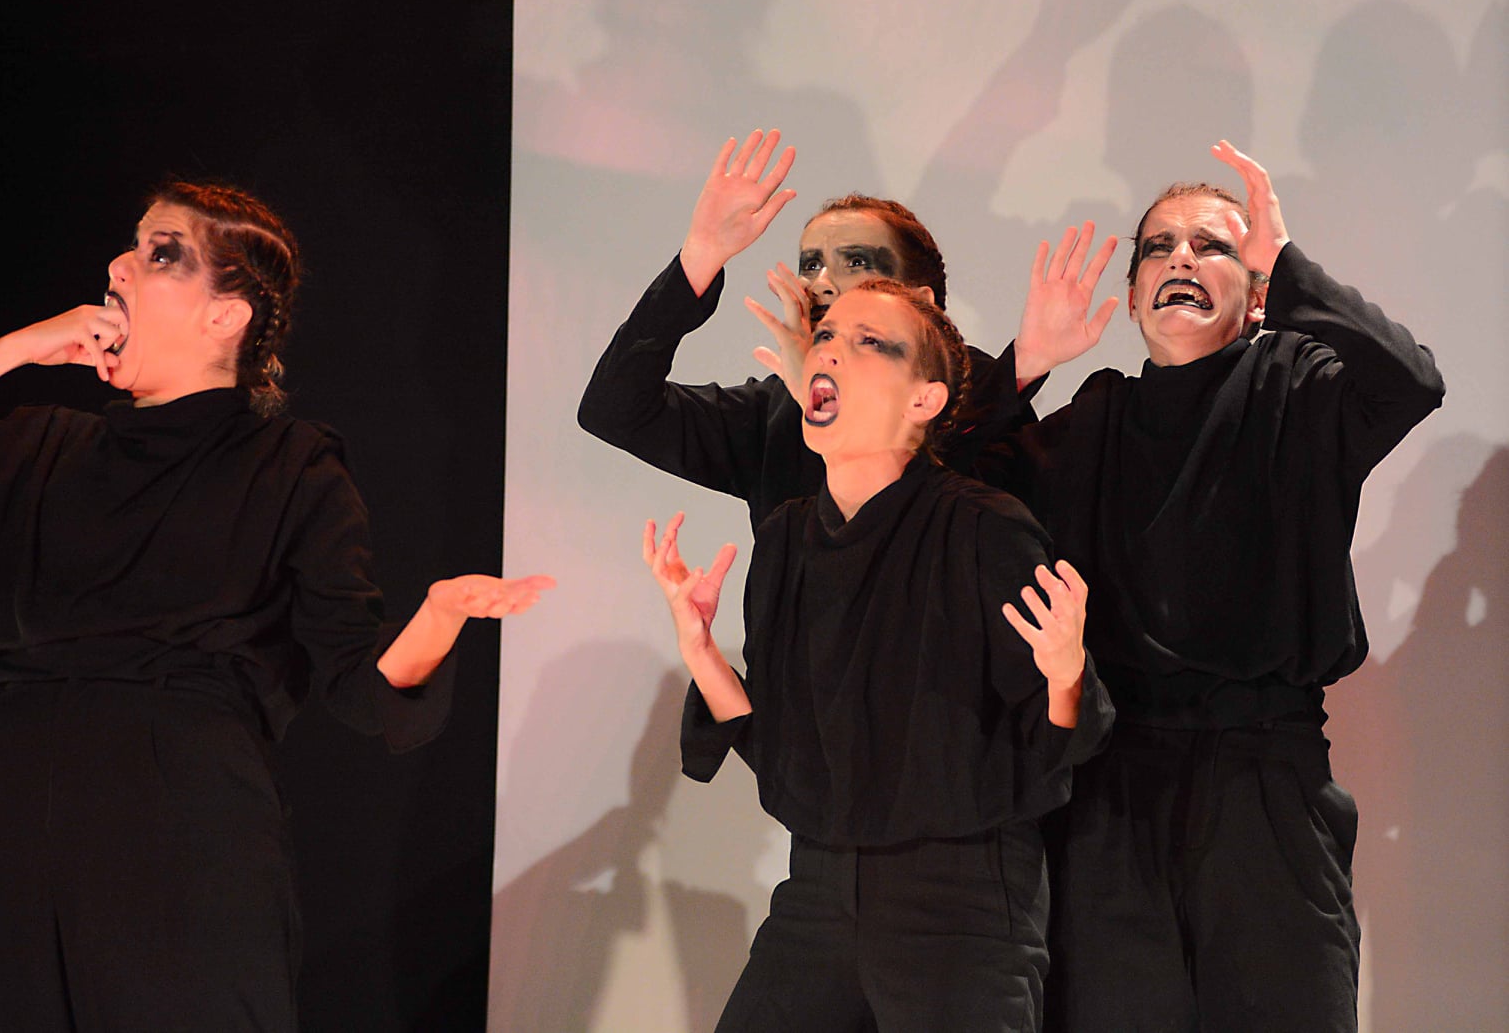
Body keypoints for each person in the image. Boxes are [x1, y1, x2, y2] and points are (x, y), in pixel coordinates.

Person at [0, 181, 554, 1031]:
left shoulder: (290, 467)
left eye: (160, 252)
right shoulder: (36, 445)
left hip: (176, 820)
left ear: (225, 315)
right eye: (131, 245)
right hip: (1, 812)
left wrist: (438, 615)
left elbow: (359, 681)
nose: (119, 265)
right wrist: (17, 348)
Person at [985, 141, 1445, 1029]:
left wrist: (1288, 262)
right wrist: (1025, 364)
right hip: (1114, 794)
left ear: (1258, 295)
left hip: (1264, 781)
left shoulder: (1296, 387)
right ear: (1131, 298)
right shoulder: (1096, 419)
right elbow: (958, 485)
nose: (1182, 258)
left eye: (1212, 246)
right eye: (1158, 247)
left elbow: (1411, 382)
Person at [642, 279, 1114, 1031]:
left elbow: (1056, 743)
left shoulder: (985, 528)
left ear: (924, 399)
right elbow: (779, 748)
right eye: (827, 335)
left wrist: (1064, 671)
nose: (830, 349)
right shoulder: (787, 536)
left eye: (869, 342)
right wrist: (700, 649)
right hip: (818, 891)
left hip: (960, 904)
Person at [578, 128, 1055, 532]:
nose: (821, 282)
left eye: (856, 262)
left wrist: (1020, 373)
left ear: (921, 300)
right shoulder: (773, 413)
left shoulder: (988, 392)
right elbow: (615, 409)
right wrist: (700, 256)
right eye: (810, 264)